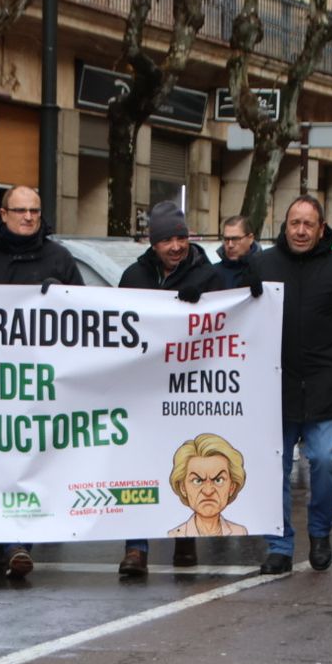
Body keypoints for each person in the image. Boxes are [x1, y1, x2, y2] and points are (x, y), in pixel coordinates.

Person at [0, 185, 84, 579]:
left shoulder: (59, 259)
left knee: (29, 461)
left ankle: (17, 542)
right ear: (3, 212)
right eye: (21, 210)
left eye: (35, 210)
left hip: (40, 382)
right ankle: (2, 542)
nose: (29, 217)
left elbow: (84, 314)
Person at [253, 195, 332, 574]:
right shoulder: (262, 265)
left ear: (322, 229)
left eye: (309, 224)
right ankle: (279, 544)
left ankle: (319, 534)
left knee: (323, 460)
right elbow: (229, 305)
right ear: (284, 226)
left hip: (325, 384)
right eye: (294, 223)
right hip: (276, 387)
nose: (300, 230)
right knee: (274, 468)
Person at [115, 202, 225, 577]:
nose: (176, 246)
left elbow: (234, 321)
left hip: (189, 389)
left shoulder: (210, 277)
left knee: (186, 463)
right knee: (138, 465)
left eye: (181, 237)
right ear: (153, 242)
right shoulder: (133, 276)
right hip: (143, 389)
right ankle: (136, 548)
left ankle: (185, 537)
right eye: (167, 240)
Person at [165, 434, 250, 538]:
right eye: (197, 481)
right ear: (183, 488)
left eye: (218, 480)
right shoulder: (173, 535)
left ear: (231, 487)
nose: (208, 491)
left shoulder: (240, 532)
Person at [213, 213, 260, 288]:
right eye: (226, 239)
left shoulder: (264, 269)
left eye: (235, 239)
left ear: (250, 238)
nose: (230, 245)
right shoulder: (212, 273)